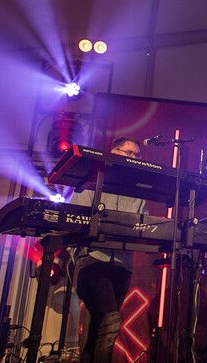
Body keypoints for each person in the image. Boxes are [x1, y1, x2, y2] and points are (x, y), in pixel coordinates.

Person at [71, 137, 148, 362]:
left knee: (98, 327)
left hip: (122, 263)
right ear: (113, 151)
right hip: (93, 258)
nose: (133, 158)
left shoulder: (137, 191)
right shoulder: (93, 180)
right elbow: (75, 218)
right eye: (128, 153)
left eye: (137, 155)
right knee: (110, 320)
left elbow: (139, 226)